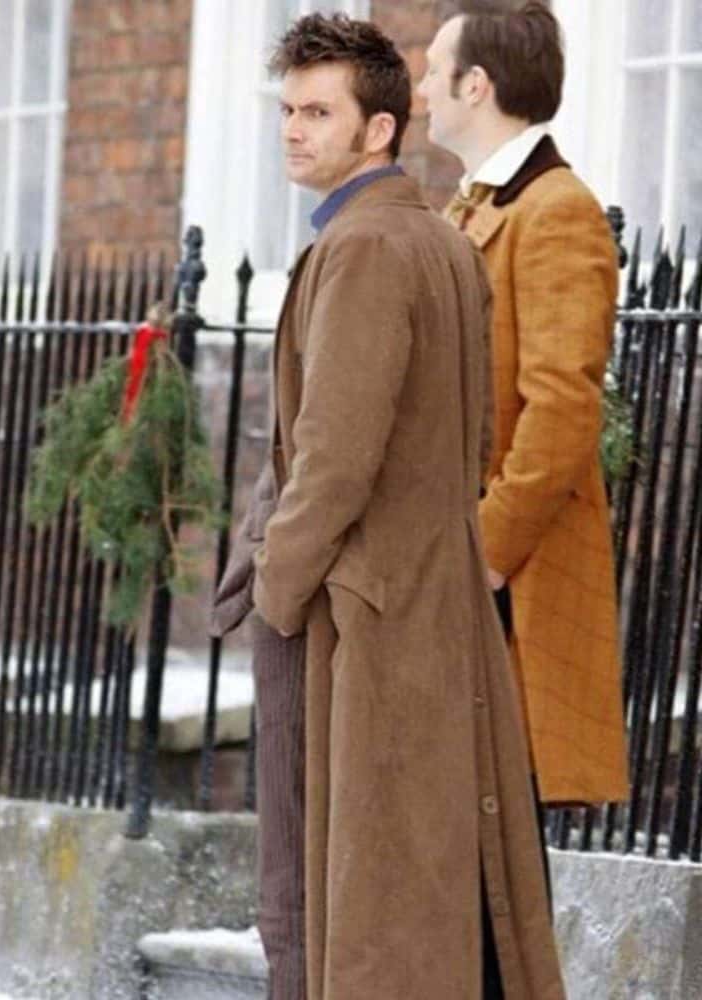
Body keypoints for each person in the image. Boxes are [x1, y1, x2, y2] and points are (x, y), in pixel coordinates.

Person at [214, 12, 565, 1000]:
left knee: (353, 897)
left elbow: (334, 456)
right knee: (421, 883)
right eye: (288, 109)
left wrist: (278, 590)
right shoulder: (438, 239)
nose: (293, 129)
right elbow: (456, 439)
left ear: (379, 129)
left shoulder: (367, 245)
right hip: (424, 601)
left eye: (318, 112)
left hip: (360, 620)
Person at [418, 0, 629, 862]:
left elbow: (563, 412)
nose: (422, 88)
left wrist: (486, 551)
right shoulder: (470, 207)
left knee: (494, 866)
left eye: (434, 70)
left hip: (506, 584)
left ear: (477, 84)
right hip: (450, 568)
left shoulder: (558, 210)